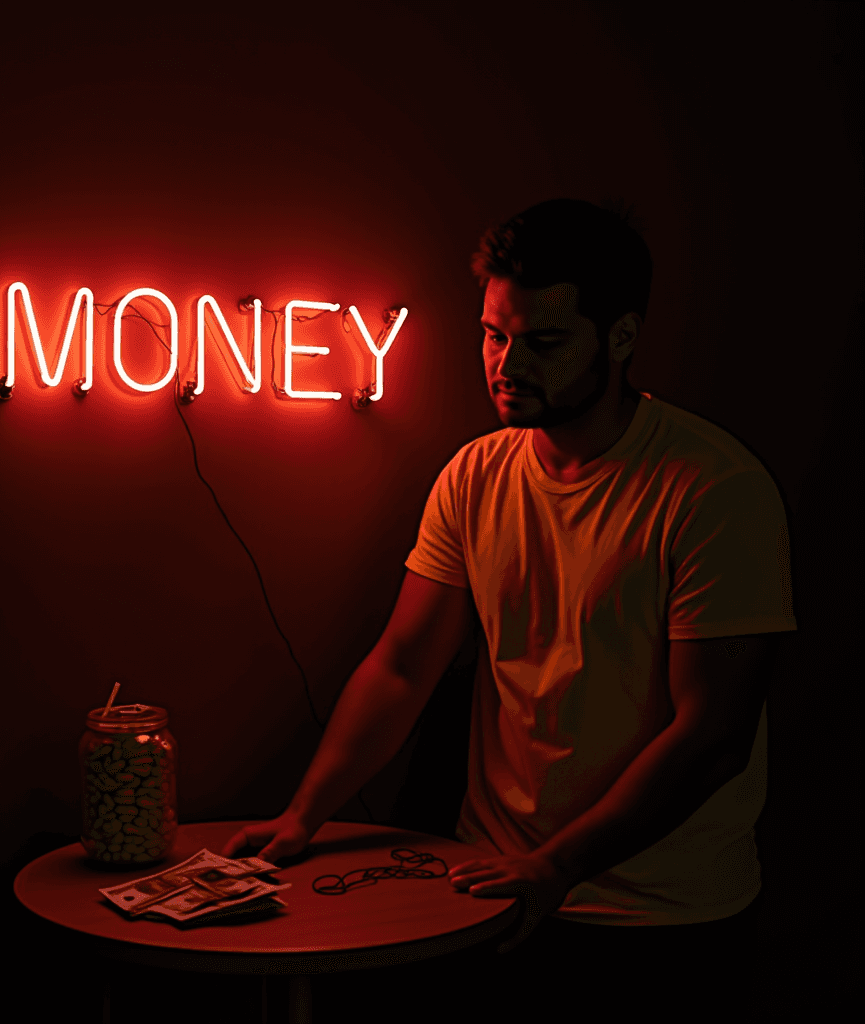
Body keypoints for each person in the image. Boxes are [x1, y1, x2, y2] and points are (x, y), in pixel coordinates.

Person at [222, 198, 796, 1019]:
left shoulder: (713, 492)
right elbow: (402, 665)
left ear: (621, 338)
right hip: (489, 888)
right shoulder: (475, 475)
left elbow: (711, 737)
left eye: (544, 342)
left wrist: (558, 866)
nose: (507, 363)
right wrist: (303, 816)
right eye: (494, 335)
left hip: (659, 916)